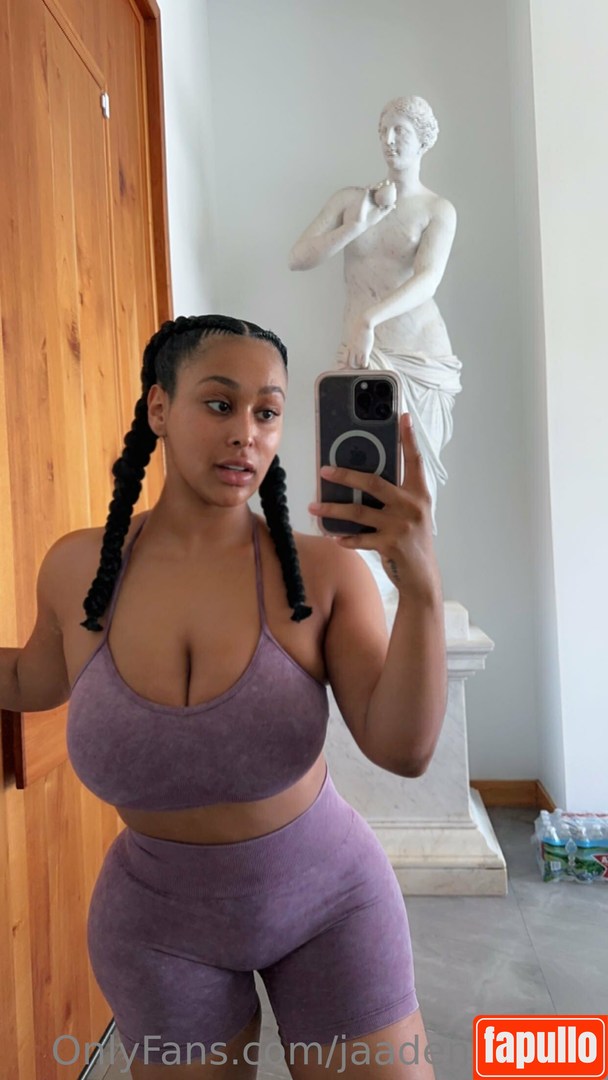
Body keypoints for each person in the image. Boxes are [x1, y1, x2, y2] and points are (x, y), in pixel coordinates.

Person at [4, 314, 447, 1078]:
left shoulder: (324, 573)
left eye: (267, 412)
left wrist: (422, 589)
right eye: (219, 404)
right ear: (158, 407)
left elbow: (404, 750)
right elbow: (28, 680)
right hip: (155, 925)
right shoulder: (77, 569)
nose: (246, 432)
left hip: (330, 904)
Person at [289, 95, 463, 535]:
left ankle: (407, 567)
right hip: (362, 352)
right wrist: (357, 226)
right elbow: (299, 257)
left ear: (422, 140)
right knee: (353, 462)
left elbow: (428, 279)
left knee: (412, 477)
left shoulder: (437, 210)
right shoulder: (353, 201)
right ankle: (360, 573)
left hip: (417, 354)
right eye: (384, 130)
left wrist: (368, 319)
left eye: (400, 130)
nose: (389, 139)